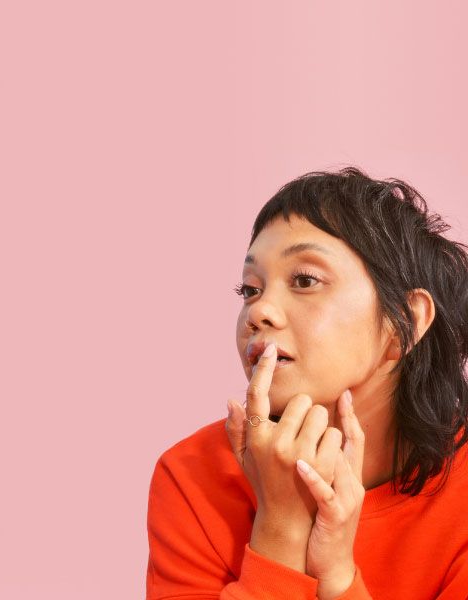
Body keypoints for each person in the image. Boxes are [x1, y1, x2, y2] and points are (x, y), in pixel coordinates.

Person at [145, 167, 468, 600]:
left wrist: (337, 578)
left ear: (404, 321)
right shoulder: (192, 475)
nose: (259, 312)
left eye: (304, 280)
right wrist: (281, 529)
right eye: (250, 289)